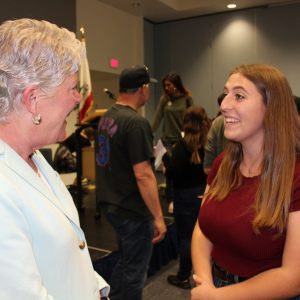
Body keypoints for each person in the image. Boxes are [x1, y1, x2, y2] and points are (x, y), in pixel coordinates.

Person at [0, 18, 109, 300]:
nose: (77, 99)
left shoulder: (34, 158)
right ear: (33, 99)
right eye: (72, 88)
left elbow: (71, 251)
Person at [191, 64, 300, 300]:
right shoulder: (223, 164)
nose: (224, 105)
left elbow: (293, 278)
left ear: (271, 108)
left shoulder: (295, 176)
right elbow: (202, 229)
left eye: (239, 96)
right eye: (226, 93)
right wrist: (206, 284)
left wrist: (216, 297)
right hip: (215, 285)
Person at [96, 65, 167, 300]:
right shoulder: (136, 123)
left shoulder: (106, 117)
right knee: (135, 272)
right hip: (132, 210)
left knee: (127, 262)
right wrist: (158, 216)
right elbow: (143, 174)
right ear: (142, 89)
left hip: (112, 203)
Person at [162, 105, 210, 289]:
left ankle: (184, 276)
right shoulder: (209, 141)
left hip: (185, 197)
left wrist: (166, 165)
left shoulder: (182, 146)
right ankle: (205, 276)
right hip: (205, 194)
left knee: (186, 238)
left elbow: (174, 173)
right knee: (205, 237)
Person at [152, 72, 194, 213]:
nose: (166, 88)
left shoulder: (187, 99)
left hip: (182, 140)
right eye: (165, 85)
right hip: (166, 141)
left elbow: (192, 118)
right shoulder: (165, 100)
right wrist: (148, 132)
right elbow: (157, 118)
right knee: (169, 172)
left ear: (176, 85)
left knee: (182, 171)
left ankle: (181, 198)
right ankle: (171, 201)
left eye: (169, 85)